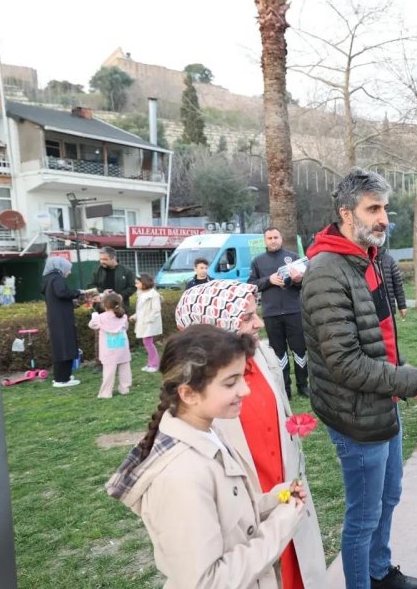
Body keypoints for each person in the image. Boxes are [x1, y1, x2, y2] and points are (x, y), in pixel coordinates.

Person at [300, 168, 417, 589]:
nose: (383, 218)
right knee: (363, 516)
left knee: (388, 498)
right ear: (345, 213)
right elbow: (346, 363)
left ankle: (379, 572)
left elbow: (381, 338)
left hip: (382, 402)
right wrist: (415, 382)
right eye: (373, 208)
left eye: (385, 208)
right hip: (355, 416)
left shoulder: (366, 260)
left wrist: (402, 379)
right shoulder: (326, 271)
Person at [106, 324, 307, 588]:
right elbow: (207, 582)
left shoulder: (207, 432)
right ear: (188, 393)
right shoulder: (181, 477)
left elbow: (224, 517)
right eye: (230, 382)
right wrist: (283, 522)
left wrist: (273, 500)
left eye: (242, 377)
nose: (245, 390)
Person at [175, 279, 327, 588]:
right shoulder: (195, 388)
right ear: (214, 326)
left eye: (254, 314)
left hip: (283, 493)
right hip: (244, 510)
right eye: (246, 318)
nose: (258, 323)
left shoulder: (264, 355)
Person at [248, 228, 310, 398]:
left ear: (281, 238)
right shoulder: (258, 261)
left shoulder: (293, 258)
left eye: (276, 237)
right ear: (265, 241)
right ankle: (285, 389)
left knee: (299, 349)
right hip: (271, 313)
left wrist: (298, 280)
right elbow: (251, 285)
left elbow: (305, 283)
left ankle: (303, 385)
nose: (273, 241)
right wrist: (269, 280)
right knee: (278, 352)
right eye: (269, 238)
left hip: (294, 310)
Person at [41, 256, 86, 388]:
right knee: (65, 347)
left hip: (56, 318)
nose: (69, 272)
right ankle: (62, 379)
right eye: (68, 269)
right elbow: (62, 293)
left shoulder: (48, 279)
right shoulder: (56, 278)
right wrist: (78, 292)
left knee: (60, 347)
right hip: (62, 320)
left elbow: (58, 297)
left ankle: (62, 376)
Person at [88, 293, 132, 399]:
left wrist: (94, 317)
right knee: (125, 369)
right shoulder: (123, 316)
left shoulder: (100, 318)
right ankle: (124, 389)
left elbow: (92, 325)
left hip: (108, 350)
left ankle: (106, 393)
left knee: (108, 372)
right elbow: (125, 328)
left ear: (104, 305)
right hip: (122, 348)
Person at [130, 273, 163, 373]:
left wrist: (148, 319)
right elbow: (140, 310)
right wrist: (134, 316)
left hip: (149, 323)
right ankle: (151, 363)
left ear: (144, 283)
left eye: (137, 283)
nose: (136, 285)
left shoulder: (153, 295)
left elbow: (156, 309)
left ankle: (154, 364)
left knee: (148, 343)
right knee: (147, 343)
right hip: (144, 322)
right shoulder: (141, 294)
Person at [88, 246, 136, 311]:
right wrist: (102, 293)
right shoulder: (97, 270)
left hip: (120, 308)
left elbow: (132, 287)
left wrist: (121, 296)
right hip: (100, 308)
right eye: (101, 259)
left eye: (105, 259)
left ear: (114, 258)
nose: (102, 261)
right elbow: (90, 285)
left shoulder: (126, 271)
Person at [380, 251, 408, 320]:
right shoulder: (363, 258)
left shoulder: (389, 259)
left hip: (388, 308)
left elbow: (398, 284)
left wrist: (402, 305)